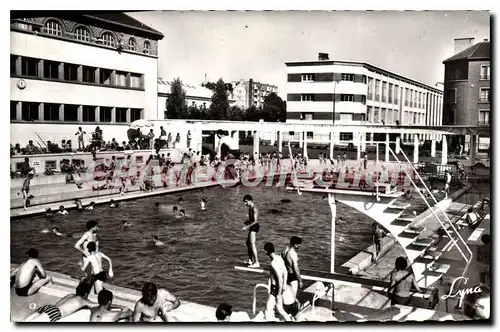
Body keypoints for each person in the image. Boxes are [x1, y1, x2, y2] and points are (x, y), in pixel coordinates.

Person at [22, 281, 98, 322]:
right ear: (86, 294)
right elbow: (96, 305)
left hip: (49, 307)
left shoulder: (70, 295)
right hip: (54, 312)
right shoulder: (82, 300)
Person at [264, 242, 291, 322]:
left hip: (275, 289)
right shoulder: (279, 258)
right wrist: (284, 287)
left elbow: (279, 278)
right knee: (280, 310)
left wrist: (278, 294)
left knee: (268, 309)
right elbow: (285, 272)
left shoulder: (273, 263)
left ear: (268, 252)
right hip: (280, 288)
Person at [243, 194, 260, 268]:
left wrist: (247, 226)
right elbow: (252, 220)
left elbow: (256, 221)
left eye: (246, 202)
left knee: (252, 244)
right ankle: (250, 260)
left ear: (250, 201)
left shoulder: (254, 208)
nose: (245, 203)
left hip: (255, 227)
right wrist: (247, 221)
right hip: (252, 226)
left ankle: (257, 262)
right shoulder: (250, 208)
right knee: (248, 243)